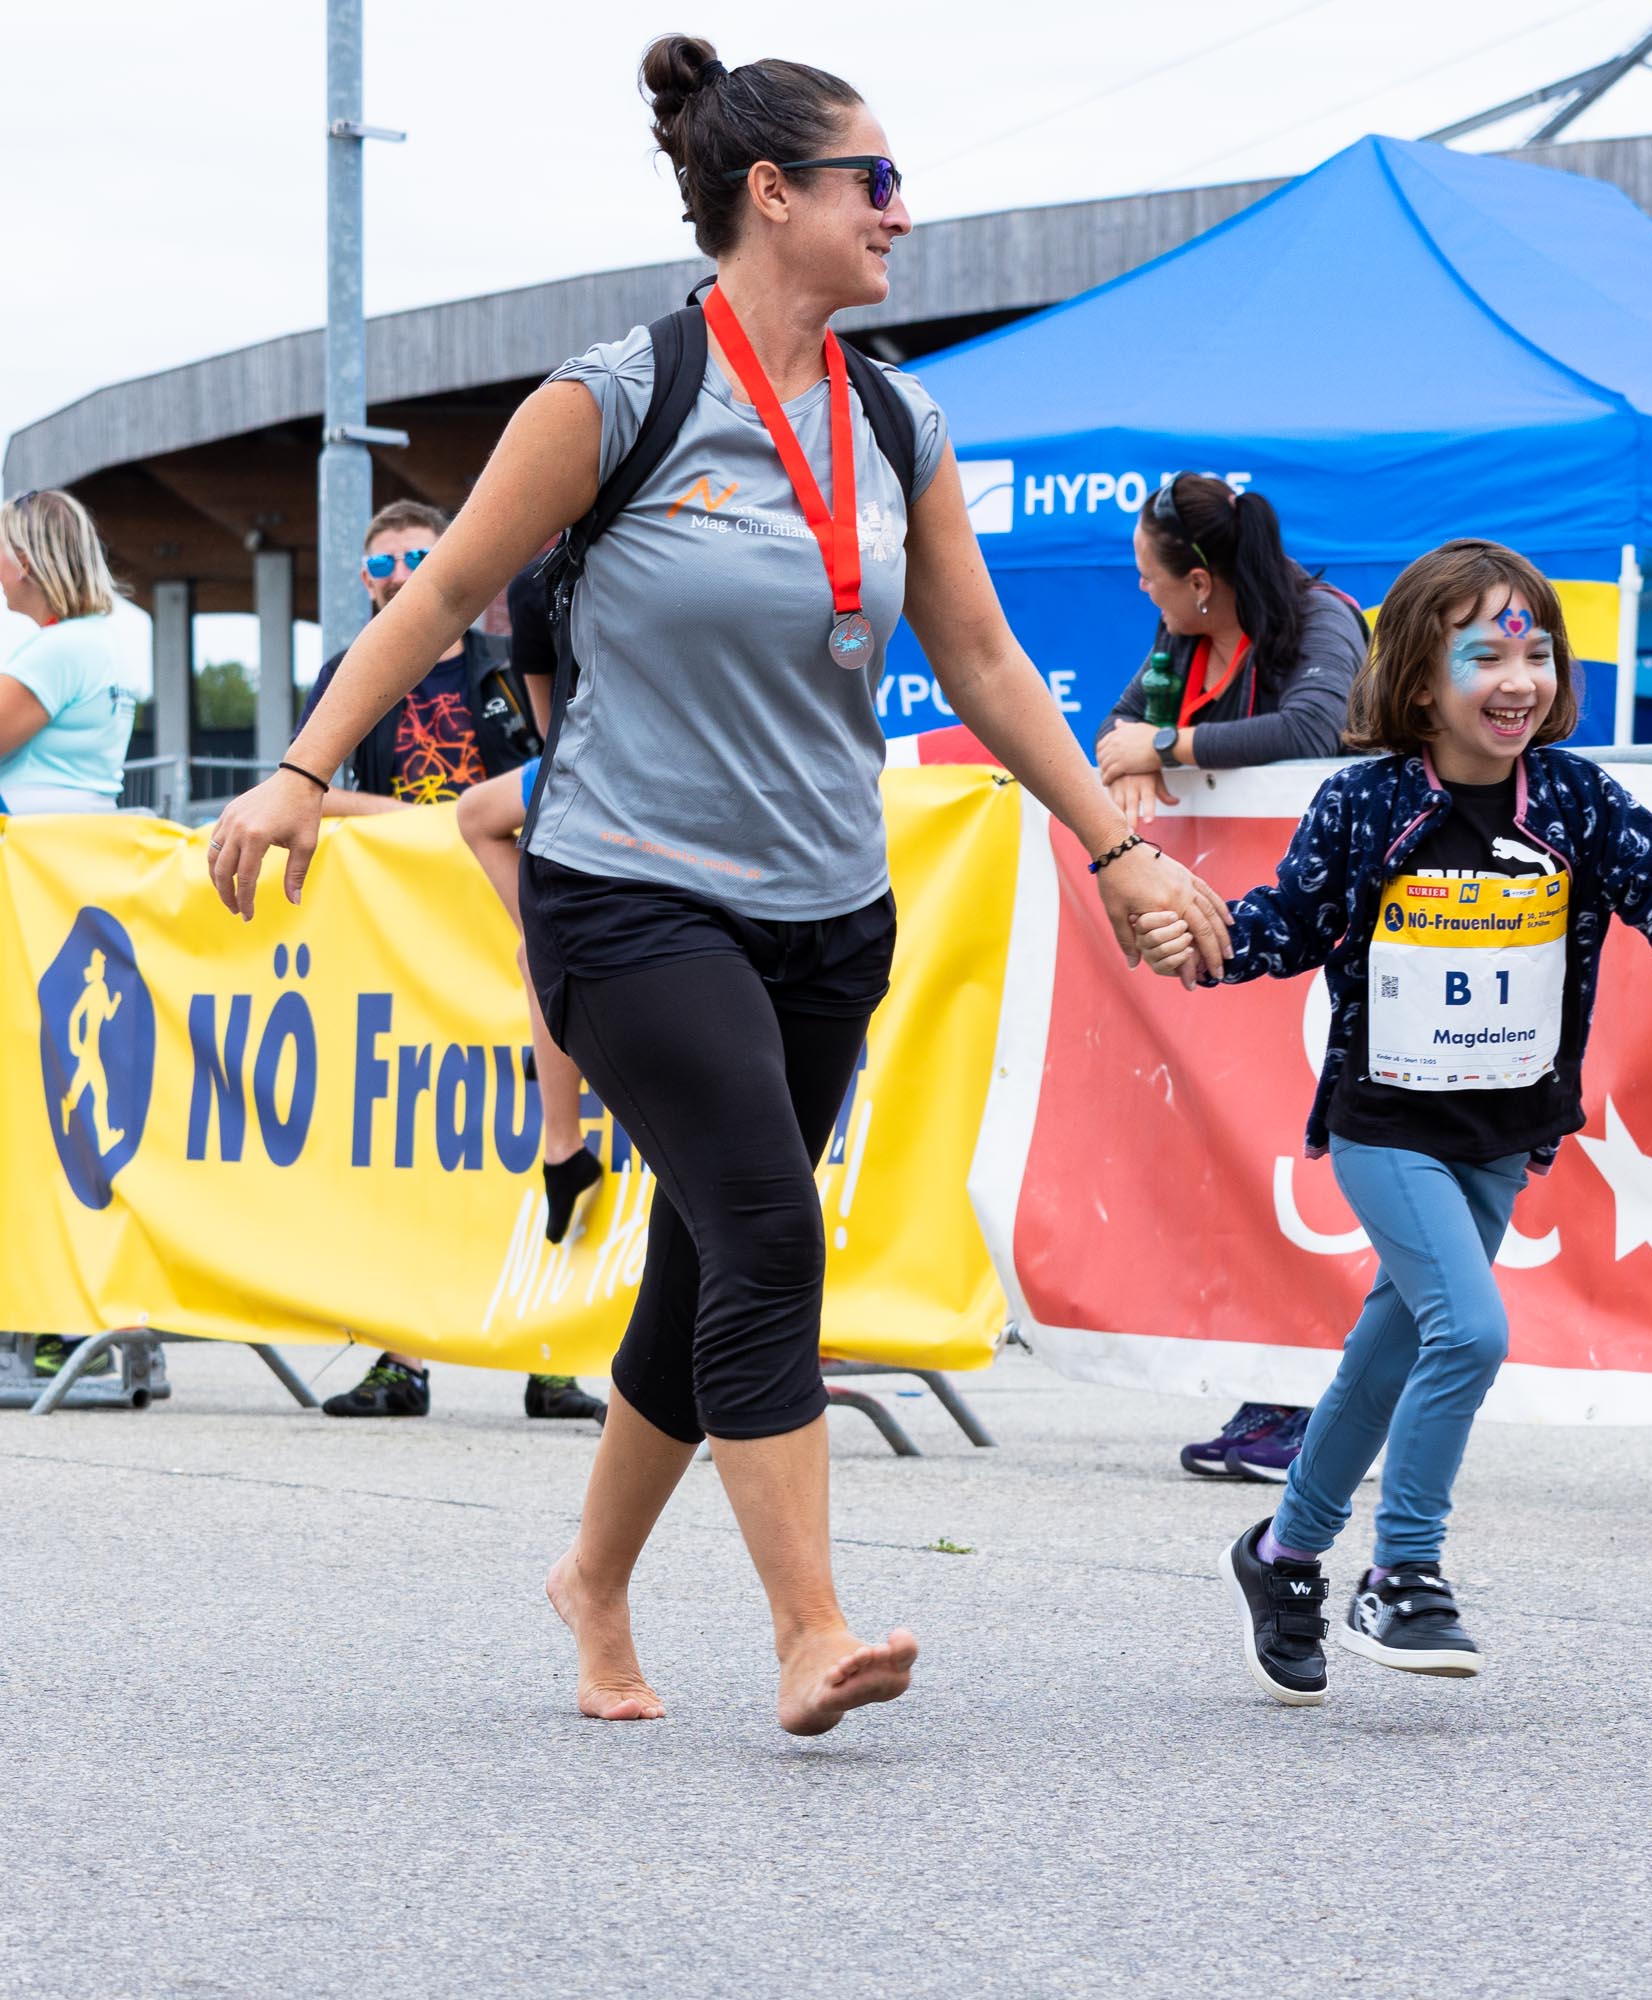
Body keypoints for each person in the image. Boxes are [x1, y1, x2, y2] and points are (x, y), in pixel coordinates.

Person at [205, 33, 1231, 1737]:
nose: (900, 211)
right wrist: (302, 771)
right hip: (627, 895)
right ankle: (810, 1630)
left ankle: (593, 1580)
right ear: (773, 194)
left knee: (706, 1260)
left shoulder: (897, 420)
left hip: (826, 913)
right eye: (872, 180)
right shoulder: (617, 399)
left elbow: (983, 660)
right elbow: (441, 596)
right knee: (767, 1226)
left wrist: (1115, 852)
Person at [1131, 539, 1652, 1705]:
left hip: (1506, 1131)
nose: (1519, 678)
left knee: (1390, 1349)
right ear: (1418, 678)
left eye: (1537, 653)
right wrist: (1204, 941)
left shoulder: (1574, 799)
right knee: (1471, 1331)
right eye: (1485, 655)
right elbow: (1287, 921)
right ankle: (1405, 1570)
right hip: (1386, 1123)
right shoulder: (1367, 802)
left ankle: (1284, 1552)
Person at [301, 501, 608, 1426]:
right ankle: (400, 1361)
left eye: (419, 556)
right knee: (409, 1156)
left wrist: (448, 821)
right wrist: (421, 822)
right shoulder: (348, 675)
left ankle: (553, 1358)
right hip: (408, 950)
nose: (399, 575)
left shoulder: (505, 662)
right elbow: (306, 791)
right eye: (380, 564)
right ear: (363, 581)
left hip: (514, 934)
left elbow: (553, 780)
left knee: (537, 1146)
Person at [1095, 472, 1368, 1483]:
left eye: (1150, 577)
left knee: (1319, 1174)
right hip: (1240, 940)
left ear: (1201, 581)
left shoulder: (1321, 619)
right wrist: (1136, 757)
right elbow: (1116, 731)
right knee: (1252, 1162)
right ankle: (1277, 1387)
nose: (1143, 592)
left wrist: (1163, 746)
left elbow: (1310, 731)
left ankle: (1325, 1407)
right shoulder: (1179, 642)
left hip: (1326, 936)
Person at [3, 489, 146, 1386]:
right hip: (73, 885)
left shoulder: (57, 650)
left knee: (41, 1103)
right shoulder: (102, 642)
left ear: (29, 559)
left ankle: (55, 1319)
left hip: (38, 894)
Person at [450, 552, 602, 1249]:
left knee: (539, 950)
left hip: (605, 767)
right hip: (632, 766)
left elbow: (554, 732)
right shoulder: (538, 585)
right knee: (538, 948)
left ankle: (563, 1148)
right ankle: (563, 1148)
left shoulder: (537, 583)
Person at [0, 489, 140, 817]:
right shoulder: (100, 640)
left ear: (23, 562)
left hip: (27, 830)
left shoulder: (59, 649)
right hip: (73, 826)